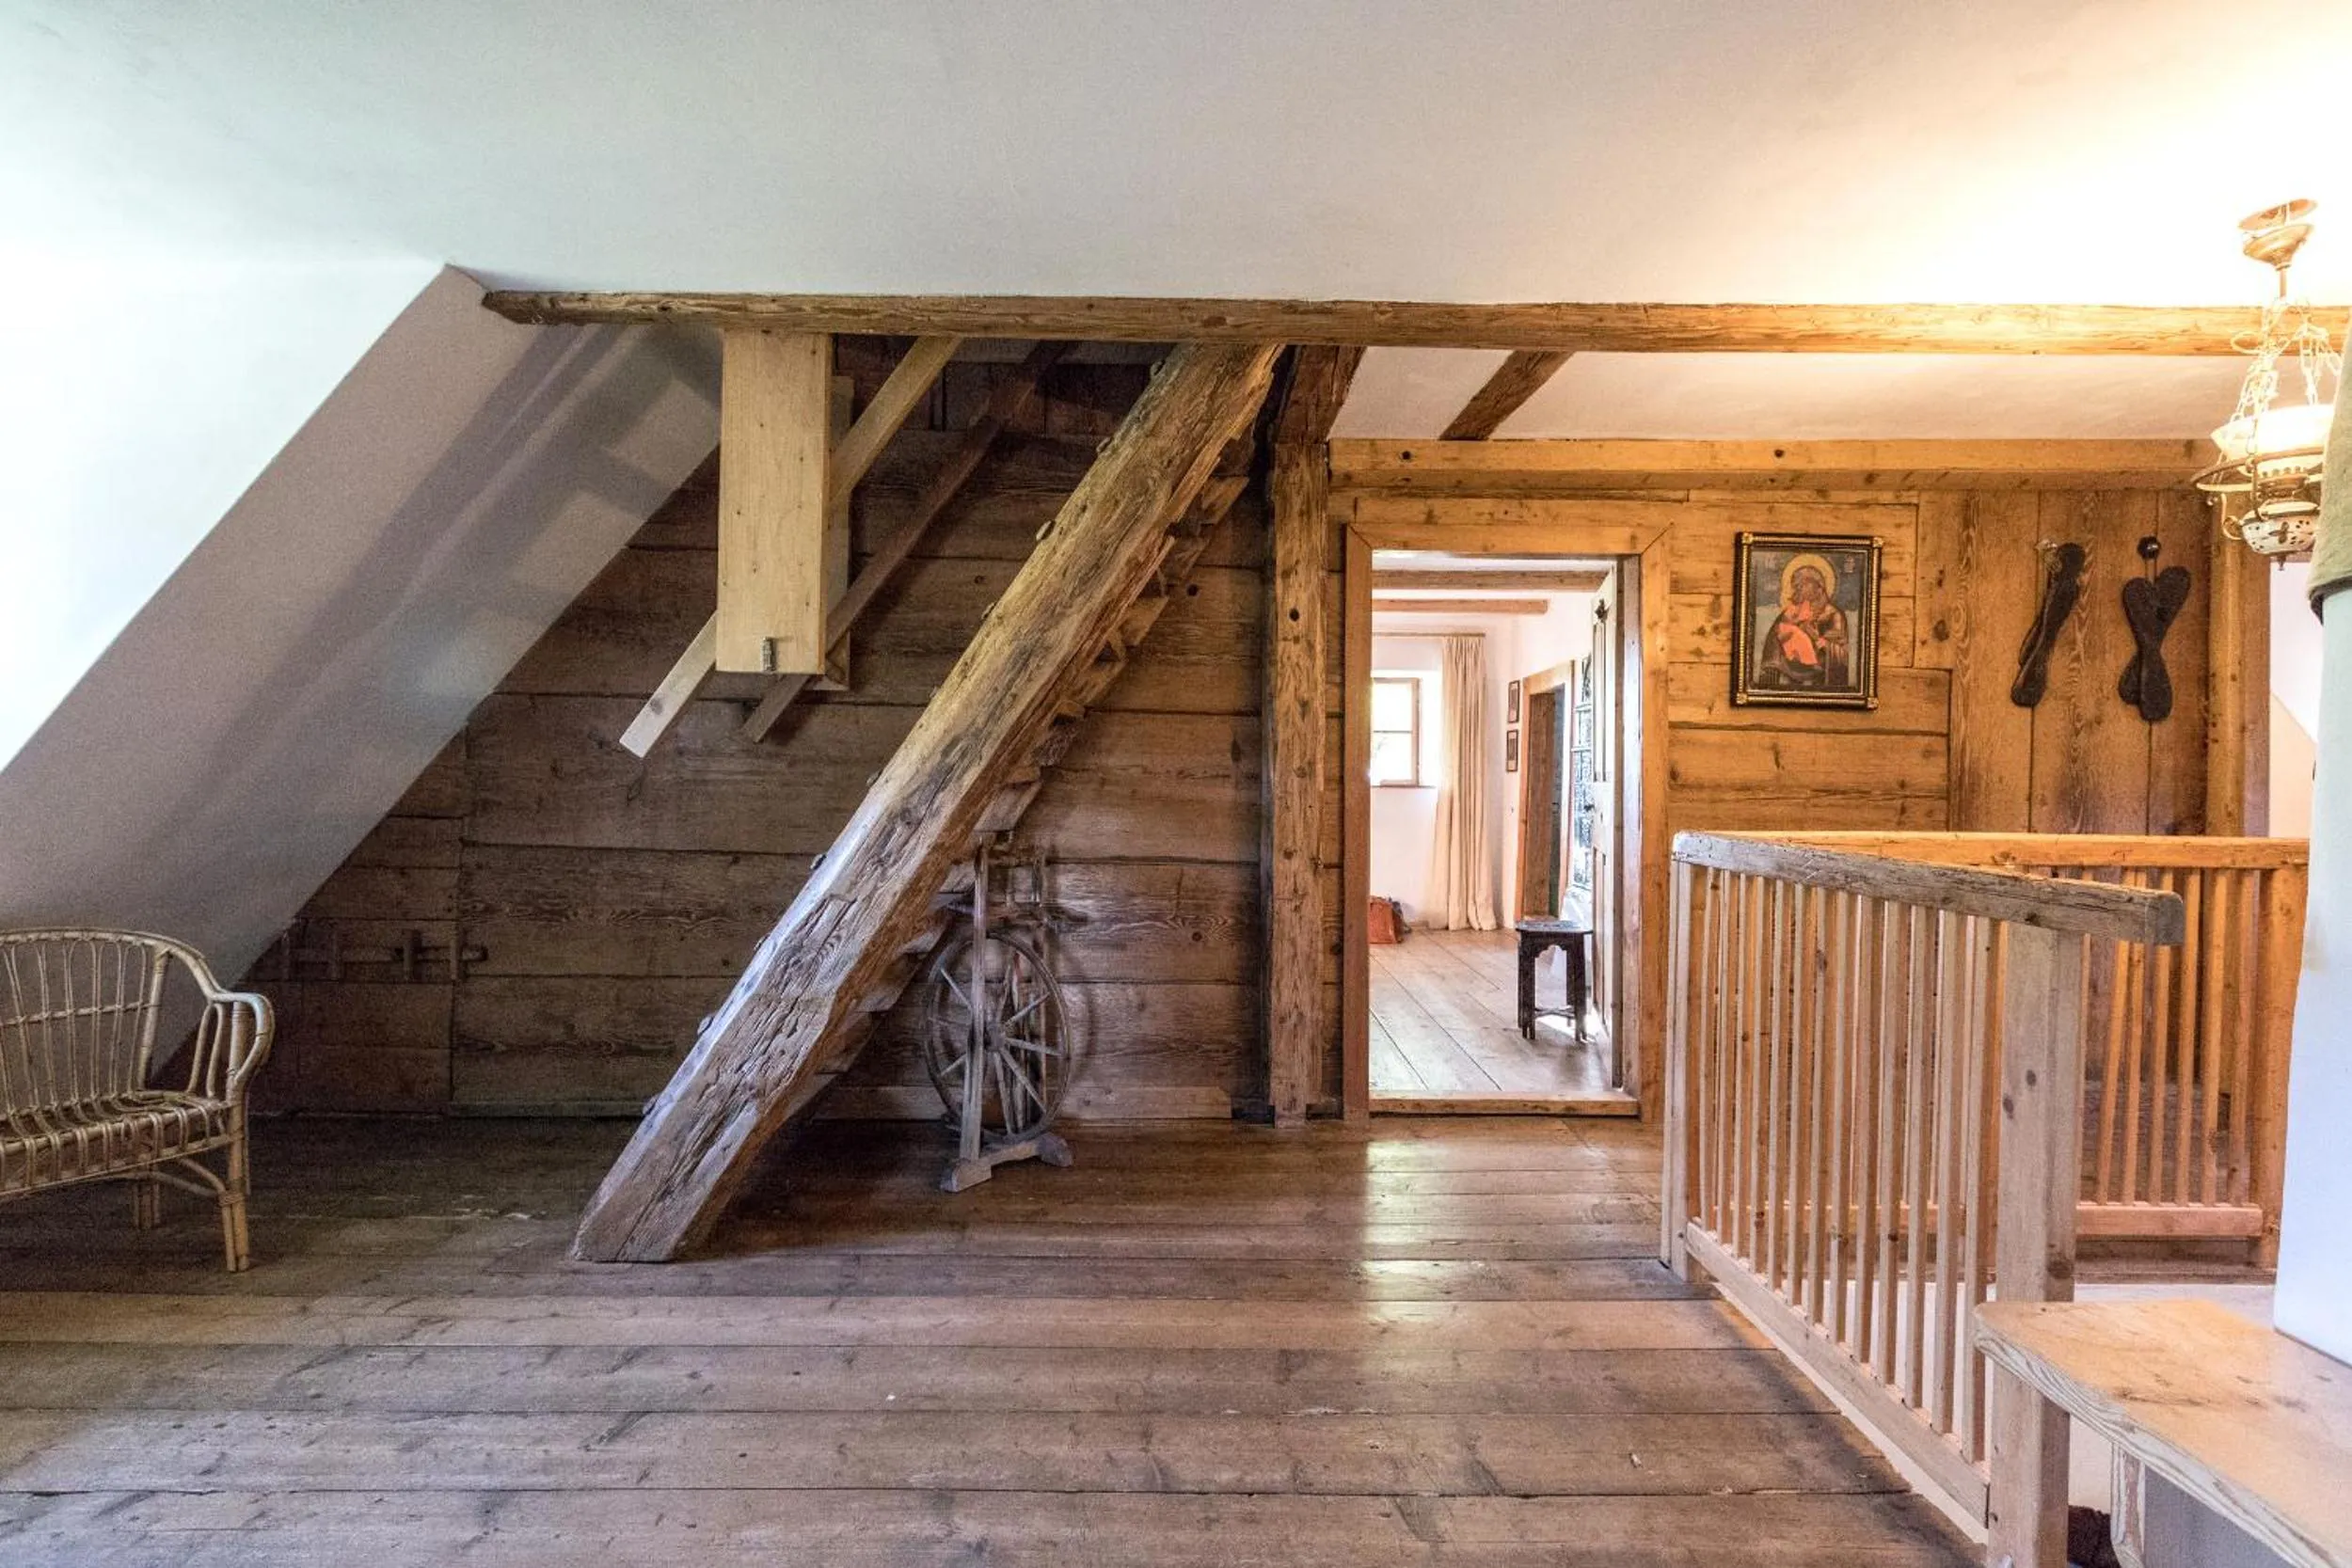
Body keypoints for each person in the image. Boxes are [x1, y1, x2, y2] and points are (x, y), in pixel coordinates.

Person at [1756, 555, 1850, 690]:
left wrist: (1816, 638)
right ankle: (1769, 690)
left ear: (1819, 586)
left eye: (1802, 585)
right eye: (1796, 586)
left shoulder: (1834, 614)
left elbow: (1841, 650)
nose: (1798, 590)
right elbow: (1775, 638)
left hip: (1820, 668)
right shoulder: (1794, 609)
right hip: (1791, 662)